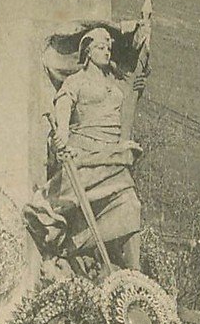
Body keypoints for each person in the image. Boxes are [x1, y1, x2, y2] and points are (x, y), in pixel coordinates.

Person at [25, 26, 145, 272]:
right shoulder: (76, 81)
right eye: (101, 48)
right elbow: (64, 105)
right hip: (87, 159)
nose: (107, 52)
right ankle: (75, 249)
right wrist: (62, 133)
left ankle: (136, 276)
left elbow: (124, 115)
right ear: (88, 52)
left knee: (132, 205)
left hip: (113, 159)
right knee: (82, 214)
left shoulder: (114, 84)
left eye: (109, 48)